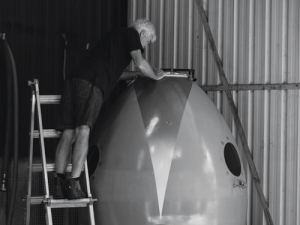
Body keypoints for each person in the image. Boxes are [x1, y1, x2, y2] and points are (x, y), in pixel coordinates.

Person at [54, 18, 165, 199]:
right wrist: (155, 75)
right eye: (146, 42)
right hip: (92, 83)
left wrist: (137, 75)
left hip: (73, 81)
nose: (144, 46)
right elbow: (140, 62)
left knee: (68, 133)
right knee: (83, 130)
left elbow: (118, 73)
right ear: (142, 33)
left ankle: (58, 184)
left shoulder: (115, 36)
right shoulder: (131, 34)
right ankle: (73, 183)